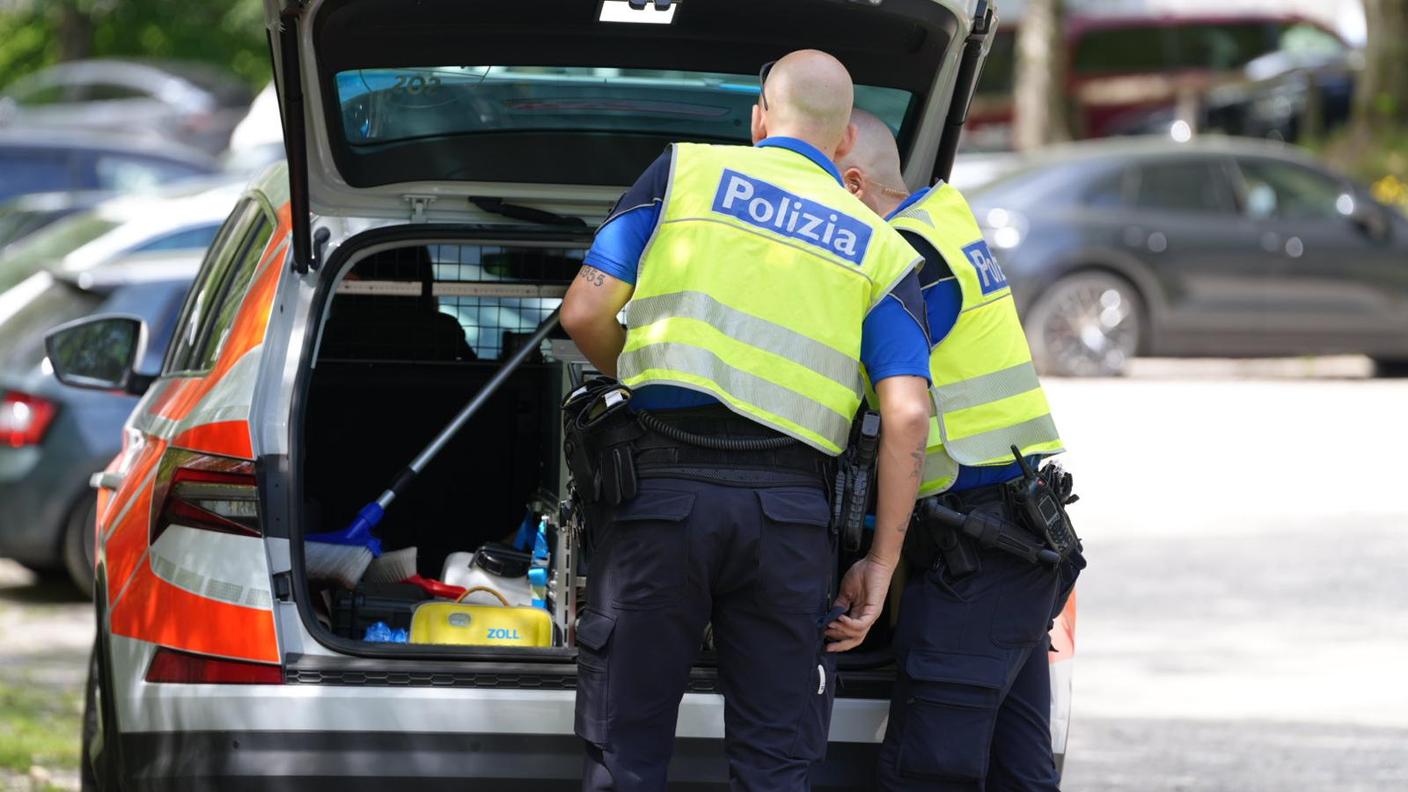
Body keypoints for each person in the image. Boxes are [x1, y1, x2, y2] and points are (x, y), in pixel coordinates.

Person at [560, 52, 934, 792]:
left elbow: (583, 312)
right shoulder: (884, 250)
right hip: (789, 525)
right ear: (842, 147)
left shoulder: (683, 174)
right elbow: (909, 414)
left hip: (658, 501)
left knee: (625, 755)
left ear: (758, 119)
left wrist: (638, 378)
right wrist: (881, 564)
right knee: (775, 764)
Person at [828, 110, 1084, 791]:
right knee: (1017, 767)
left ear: (852, 186)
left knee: (929, 770)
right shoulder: (945, 218)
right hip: (1013, 540)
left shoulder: (908, 263)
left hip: (984, 546)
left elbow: (890, 408)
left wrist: (880, 560)